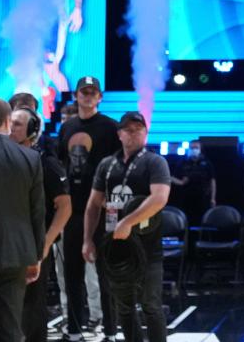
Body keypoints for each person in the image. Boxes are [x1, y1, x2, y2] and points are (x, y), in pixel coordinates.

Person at [83, 112, 170, 342]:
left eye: (138, 129)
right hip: (117, 249)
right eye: (128, 130)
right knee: (124, 307)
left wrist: (127, 222)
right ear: (119, 134)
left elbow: (160, 198)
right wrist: (87, 239)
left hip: (148, 246)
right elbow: (93, 204)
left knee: (150, 304)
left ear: (145, 132)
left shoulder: (154, 161)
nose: (134, 133)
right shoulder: (107, 165)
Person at [57, 76, 120, 341]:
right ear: (76, 95)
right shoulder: (67, 127)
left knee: (106, 273)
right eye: (84, 92)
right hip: (74, 210)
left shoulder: (110, 127)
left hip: (104, 210)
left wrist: (114, 206)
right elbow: (62, 165)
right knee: (72, 273)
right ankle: (73, 329)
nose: (88, 96)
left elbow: (121, 168)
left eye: (93, 92)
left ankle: (110, 330)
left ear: (100, 97)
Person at [10, 106, 71, 342]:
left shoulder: (45, 162)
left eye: (17, 124)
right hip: (7, 242)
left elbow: (65, 207)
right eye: (10, 122)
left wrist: (45, 243)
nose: (11, 128)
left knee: (31, 310)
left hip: (33, 245)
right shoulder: (3, 158)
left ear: (33, 130)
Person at [0, 98, 45, 342]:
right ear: (7, 121)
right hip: (15, 254)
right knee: (10, 327)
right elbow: (37, 212)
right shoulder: (30, 158)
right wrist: (36, 255)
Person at [170, 140, 215, 225]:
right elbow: (171, 177)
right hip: (186, 198)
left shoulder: (207, 163)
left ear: (200, 149)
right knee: (186, 221)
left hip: (203, 198)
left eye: (196, 148)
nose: (194, 150)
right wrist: (180, 182)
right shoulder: (182, 162)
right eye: (192, 148)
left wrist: (213, 198)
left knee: (202, 221)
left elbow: (212, 181)